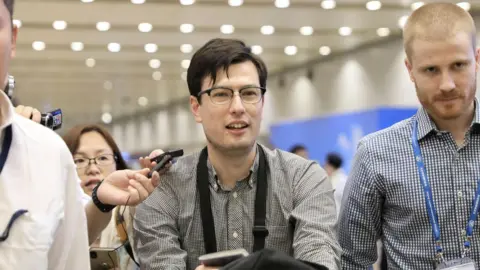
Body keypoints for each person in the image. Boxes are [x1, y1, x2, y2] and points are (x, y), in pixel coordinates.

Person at [133, 38, 340, 270]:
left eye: (249, 93)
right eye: (221, 94)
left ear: (262, 102)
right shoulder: (164, 188)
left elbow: (319, 263)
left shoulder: (302, 179)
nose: (238, 107)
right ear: (196, 107)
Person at [0, 1, 160, 268]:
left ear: (13, 39)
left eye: (101, 158)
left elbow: (68, 257)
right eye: (82, 160)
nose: (92, 168)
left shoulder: (47, 154)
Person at [339, 2, 480, 269]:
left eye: (458, 65)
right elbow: (351, 259)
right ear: (410, 70)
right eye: (431, 70)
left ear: (477, 60)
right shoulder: (374, 153)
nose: (447, 84)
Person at [63, 124, 150, 270]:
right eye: (79, 160)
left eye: (103, 158)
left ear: (118, 163)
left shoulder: (134, 216)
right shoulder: (55, 224)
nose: (93, 169)